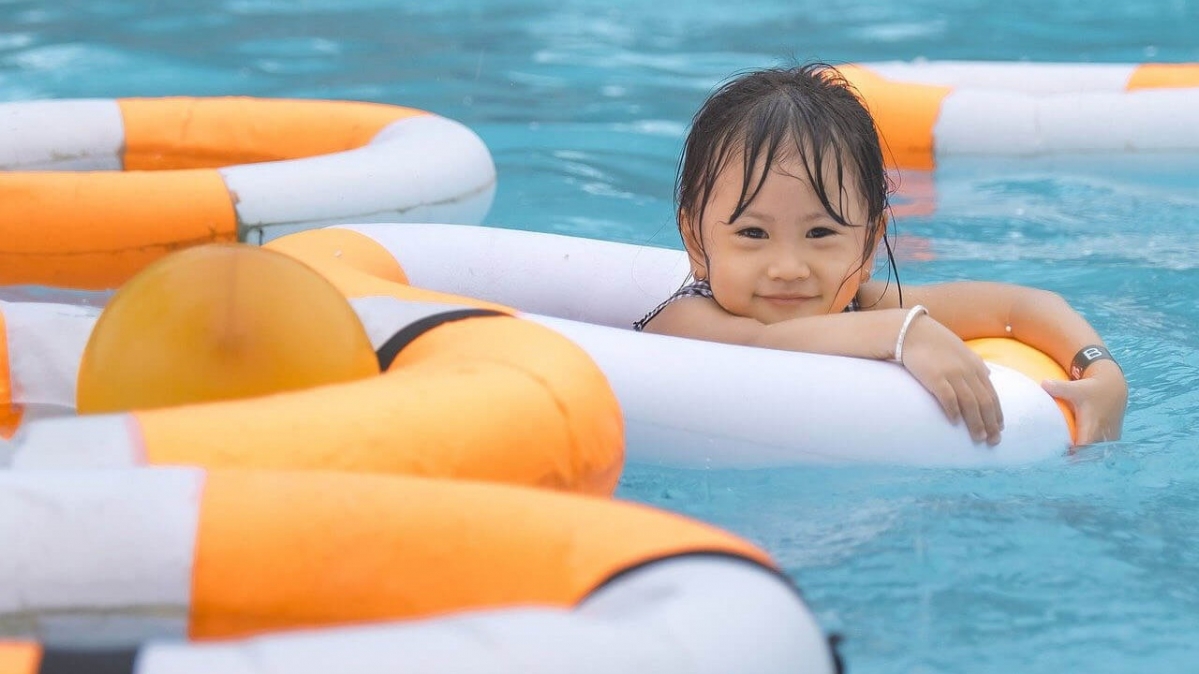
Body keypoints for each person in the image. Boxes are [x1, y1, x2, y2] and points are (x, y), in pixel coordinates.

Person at [634, 63, 1128, 446]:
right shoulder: (686, 321)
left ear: (870, 243)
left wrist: (1099, 370)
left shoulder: (863, 302)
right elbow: (762, 345)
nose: (788, 268)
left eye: (821, 232)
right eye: (753, 233)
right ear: (697, 241)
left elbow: (1017, 309)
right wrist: (899, 332)